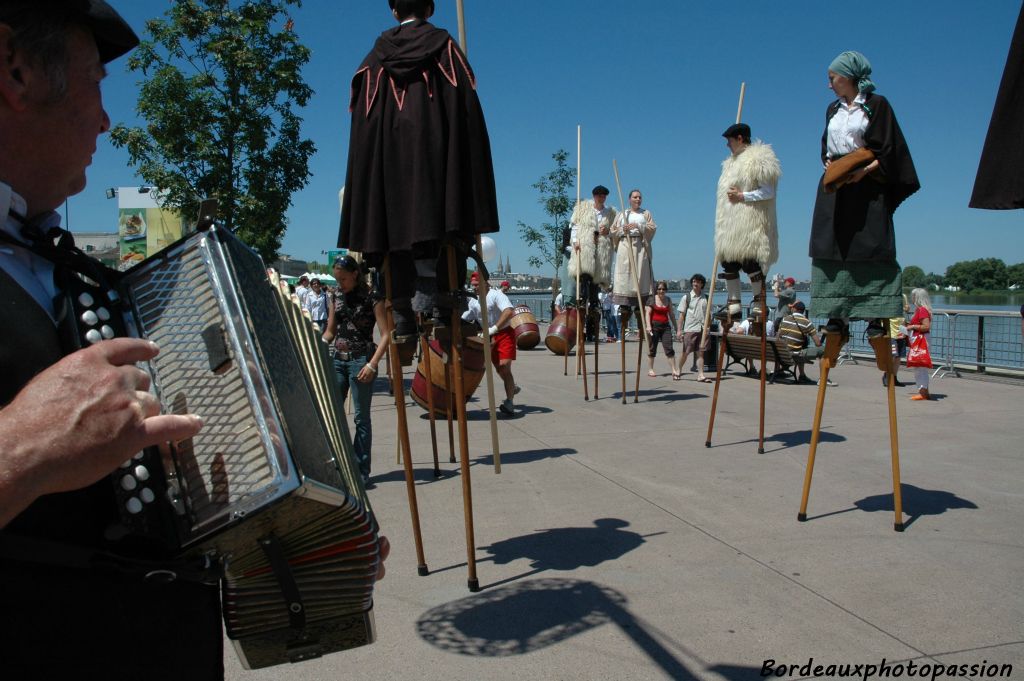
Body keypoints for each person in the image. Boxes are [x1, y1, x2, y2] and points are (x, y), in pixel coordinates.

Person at [0, 6, 389, 677]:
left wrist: (289, 536)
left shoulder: (55, 263)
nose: (105, 119)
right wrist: (19, 447)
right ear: (16, 71)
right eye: (95, 82)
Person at [338, 0, 499, 351]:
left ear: (394, 12)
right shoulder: (445, 50)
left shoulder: (373, 61)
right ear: (429, 9)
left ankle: (403, 313)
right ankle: (440, 305)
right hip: (436, 165)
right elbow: (466, 116)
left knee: (393, 223)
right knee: (441, 221)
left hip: (388, 173)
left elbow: (362, 130)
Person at [809, 51, 919, 342]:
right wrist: (831, 166)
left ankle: (874, 314)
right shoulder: (832, 109)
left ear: (847, 77)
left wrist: (865, 170)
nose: (829, 84)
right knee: (831, 244)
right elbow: (827, 145)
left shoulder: (877, 105)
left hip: (867, 185)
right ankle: (836, 313)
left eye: (832, 78)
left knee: (870, 245)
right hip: (837, 186)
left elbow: (888, 146)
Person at [323, 256, 390, 483]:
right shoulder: (335, 295)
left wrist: (373, 364)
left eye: (343, 278)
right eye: (337, 278)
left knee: (361, 418)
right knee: (332, 413)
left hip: (361, 360)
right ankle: (339, 463)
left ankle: (361, 469)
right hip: (337, 360)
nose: (339, 282)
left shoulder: (373, 297)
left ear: (354, 274)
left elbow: (386, 335)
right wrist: (318, 342)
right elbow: (331, 331)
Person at [713, 122, 782, 324]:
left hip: (750, 224)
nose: (727, 145)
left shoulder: (758, 158)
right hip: (730, 226)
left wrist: (743, 196)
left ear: (740, 138)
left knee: (750, 261)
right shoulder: (730, 164)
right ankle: (733, 305)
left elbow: (769, 192)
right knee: (729, 262)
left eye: (730, 141)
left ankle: (759, 303)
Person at [463, 272, 518, 415]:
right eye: (472, 285)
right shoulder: (473, 301)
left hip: (504, 334)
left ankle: (509, 402)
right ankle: (511, 385)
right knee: (500, 369)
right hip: (488, 338)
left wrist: (494, 328)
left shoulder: (496, 295)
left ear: (485, 283)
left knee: (504, 365)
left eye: (476, 285)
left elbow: (509, 311)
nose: (474, 288)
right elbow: (467, 317)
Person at [566, 185, 617, 339]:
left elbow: (615, 232)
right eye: (599, 195)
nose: (601, 198)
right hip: (586, 248)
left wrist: (607, 232)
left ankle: (592, 320)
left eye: (603, 195)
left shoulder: (610, 214)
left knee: (596, 285)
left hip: (601, 251)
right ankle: (581, 302)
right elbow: (574, 226)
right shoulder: (584, 209)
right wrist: (575, 241)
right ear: (594, 196)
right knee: (584, 278)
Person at [611, 188, 656, 339]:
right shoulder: (622, 214)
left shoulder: (645, 213)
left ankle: (639, 307)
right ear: (629, 199)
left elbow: (652, 228)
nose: (638, 199)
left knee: (641, 276)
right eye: (635, 197)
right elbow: (612, 231)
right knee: (625, 276)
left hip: (640, 246)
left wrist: (638, 226)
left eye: (640, 197)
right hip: (625, 245)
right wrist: (622, 229)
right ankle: (624, 308)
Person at [675, 274, 711, 382]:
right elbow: (681, 315)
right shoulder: (686, 297)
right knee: (686, 352)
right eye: (694, 281)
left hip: (702, 329)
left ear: (702, 284)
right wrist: (679, 330)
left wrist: (708, 326)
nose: (695, 284)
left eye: (698, 282)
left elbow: (708, 314)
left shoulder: (706, 297)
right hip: (690, 328)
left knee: (701, 352)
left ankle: (700, 375)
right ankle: (678, 370)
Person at [778, 301, 824, 383]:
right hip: (795, 355)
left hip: (781, 353)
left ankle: (801, 375)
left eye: (792, 307)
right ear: (802, 310)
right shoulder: (807, 322)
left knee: (800, 346)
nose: (791, 308)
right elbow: (818, 343)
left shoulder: (785, 319)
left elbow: (777, 337)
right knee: (823, 350)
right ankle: (823, 379)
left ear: (794, 309)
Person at [645, 281, 677, 378]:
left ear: (666, 290)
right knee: (652, 348)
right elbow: (648, 313)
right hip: (654, 326)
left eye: (663, 289)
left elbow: (671, 314)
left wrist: (676, 327)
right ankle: (650, 369)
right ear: (656, 290)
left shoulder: (668, 300)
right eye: (659, 289)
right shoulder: (652, 299)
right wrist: (648, 326)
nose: (661, 291)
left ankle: (674, 370)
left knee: (669, 348)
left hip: (666, 326)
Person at [906, 287, 933, 401]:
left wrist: (912, 326)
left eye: (913, 297)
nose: (911, 299)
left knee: (919, 367)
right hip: (920, 339)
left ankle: (923, 392)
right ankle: (924, 391)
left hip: (920, 340)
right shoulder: (922, 310)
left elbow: (926, 326)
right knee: (921, 367)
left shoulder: (922, 310)